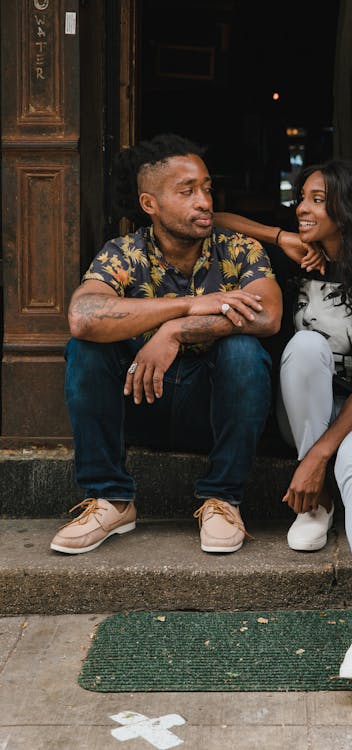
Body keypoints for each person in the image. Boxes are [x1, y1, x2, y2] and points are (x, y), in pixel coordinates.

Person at [214, 158, 352, 684]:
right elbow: (213, 221)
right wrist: (281, 237)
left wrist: (321, 455)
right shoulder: (292, 263)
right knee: (304, 346)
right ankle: (318, 504)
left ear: (348, 209)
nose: (303, 207)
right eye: (302, 197)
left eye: (318, 200)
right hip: (301, 413)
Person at [50, 133, 282, 556]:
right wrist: (191, 305)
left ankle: (222, 500)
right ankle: (112, 500)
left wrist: (173, 332)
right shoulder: (123, 254)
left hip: (210, 406)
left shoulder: (238, 248)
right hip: (139, 399)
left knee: (244, 352)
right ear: (149, 204)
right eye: (187, 191)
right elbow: (83, 316)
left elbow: (267, 315)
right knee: (84, 348)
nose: (205, 202)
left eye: (207, 188)